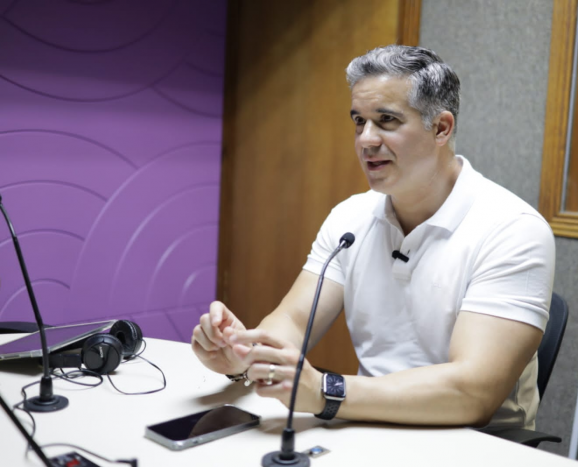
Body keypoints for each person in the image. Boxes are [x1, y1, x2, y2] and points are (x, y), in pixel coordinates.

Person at [192, 45, 555, 430]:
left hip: (476, 443)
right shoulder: (351, 217)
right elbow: (295, 320)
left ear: (441, 128)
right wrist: (246, 355)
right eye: (359, 121)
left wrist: (326, 391)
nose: (366, 139)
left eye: (386, 120)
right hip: (369, 422)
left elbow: (472, 392)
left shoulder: (513, 230)